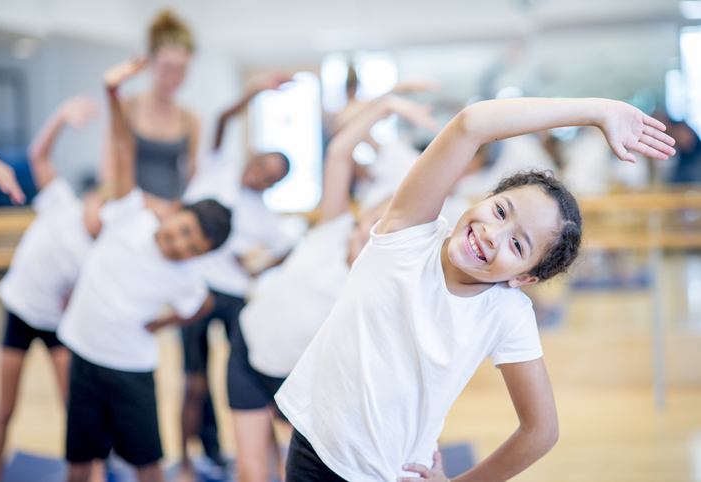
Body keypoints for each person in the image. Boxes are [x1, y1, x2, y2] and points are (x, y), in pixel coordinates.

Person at [275, 97, 676, 481]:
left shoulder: (508, 313)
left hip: (391, 472)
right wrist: (596, 111)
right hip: (313, 447)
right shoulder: (407, 236)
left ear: (525, 278)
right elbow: (471, 124)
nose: (491, 234)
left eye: (518, 245)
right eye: (500, 210)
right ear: (487, 197)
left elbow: (541, 430)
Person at [231, 96, 437, 482]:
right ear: (363, 216)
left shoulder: (380, 286)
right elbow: (340, 152)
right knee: (250, 472)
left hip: (294, 376)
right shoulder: (333, 228)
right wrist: (387, 105)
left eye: (388, 234)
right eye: (375, 222)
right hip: (247, 346)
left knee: (295, 470)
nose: (375, 235)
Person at [57, 57, 232, 482]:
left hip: (132, 370)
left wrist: (161, 324)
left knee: (147, 464)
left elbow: (201, 303)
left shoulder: (186, 277)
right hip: (82, 353)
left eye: (194, 247)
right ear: (174, 211)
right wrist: (113, 92)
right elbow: (124, 147)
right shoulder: (131, 211)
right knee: (80, 461)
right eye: (184, 231)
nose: (181, 245)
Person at [178, 72, 295, 479]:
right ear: (254, 155)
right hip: (192, 288)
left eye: (271, 177)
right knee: (193, 383)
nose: (260, 175)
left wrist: (256, 265)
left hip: (233, 298)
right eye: (262, 165)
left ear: (273, 185)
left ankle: (270, 457)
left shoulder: (265, 217)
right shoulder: (218, 169)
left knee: (253, 378)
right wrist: (254, 91)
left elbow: (287, 249)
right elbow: (222, 120)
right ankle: (191, 459)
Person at [0, 95, 103, 482]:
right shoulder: (61, 204)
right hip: (19, 312)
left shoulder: (101, 255)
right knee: (4, 408)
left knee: (77, 413)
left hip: (57, 327)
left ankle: (87, 474)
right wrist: (61, 117)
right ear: (88, 199)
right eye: (97, 202)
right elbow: (39, 154)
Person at [102, 9, 200, 201]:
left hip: (172, 216)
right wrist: (154, 207)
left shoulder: (191, 118)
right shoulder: (126, 108)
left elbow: (194, 180)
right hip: (130, 210)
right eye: (167, 69)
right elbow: (108, 177)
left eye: (181, 70)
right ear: (150, 62)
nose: (173, 78)